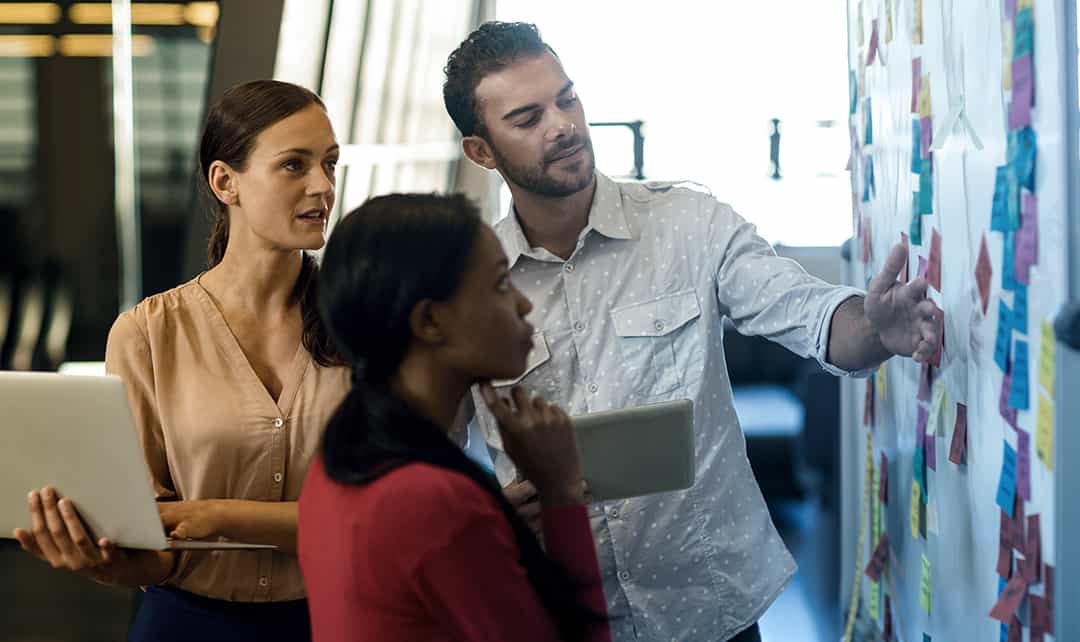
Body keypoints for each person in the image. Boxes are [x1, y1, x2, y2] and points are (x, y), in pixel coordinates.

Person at [442, 22, 941, 642]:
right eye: (527, 118)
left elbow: (805, 310)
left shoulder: (689, 222)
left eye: (567, 98)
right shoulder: (462, 280)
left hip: (712, 612)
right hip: (556, 614)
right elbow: (427, 450)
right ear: (481, 152)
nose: (563, 125)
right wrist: (483, 515)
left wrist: (872, 325)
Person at [13, 79, 349, 641]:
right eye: (295, 165)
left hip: (341, 621)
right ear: (226, 182)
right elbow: (155, 547)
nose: (322, 186)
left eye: (330, 164)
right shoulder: (147, 334)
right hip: (187, 624)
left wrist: (215, 516)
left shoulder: (365, 324)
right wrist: (101, 559)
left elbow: (377, 519)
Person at [298, 193, 610, 642]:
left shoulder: (341, 458)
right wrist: (561, 491)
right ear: (430, 321)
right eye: (502, 284)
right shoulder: (434, 500)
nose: (524, 305)